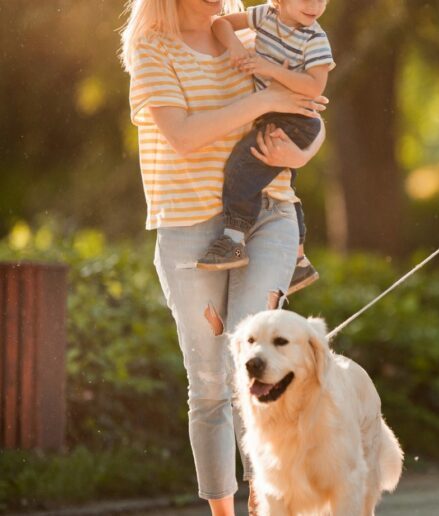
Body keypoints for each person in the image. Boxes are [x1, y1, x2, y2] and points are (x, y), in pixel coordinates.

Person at [119, 0, 327, 513]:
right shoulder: (151, 49)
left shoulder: (255, 41)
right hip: (188, 226)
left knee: (258, 365)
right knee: (211, 382)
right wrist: (262, 102)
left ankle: (266, 504)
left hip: (270, 215)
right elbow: (184, 136)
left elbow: (312, 114)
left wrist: (301, 155)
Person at [196, 0, 335, 296]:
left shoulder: (316, 39)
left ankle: (233, 239)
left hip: (295, 118)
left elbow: (314, 87)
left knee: (241, 166)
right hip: (273, 112)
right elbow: (221, 23)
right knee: (281, 184)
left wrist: (269, 69)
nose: (315, 5)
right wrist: (235, 47)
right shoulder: (265, 14)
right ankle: (298, 260)